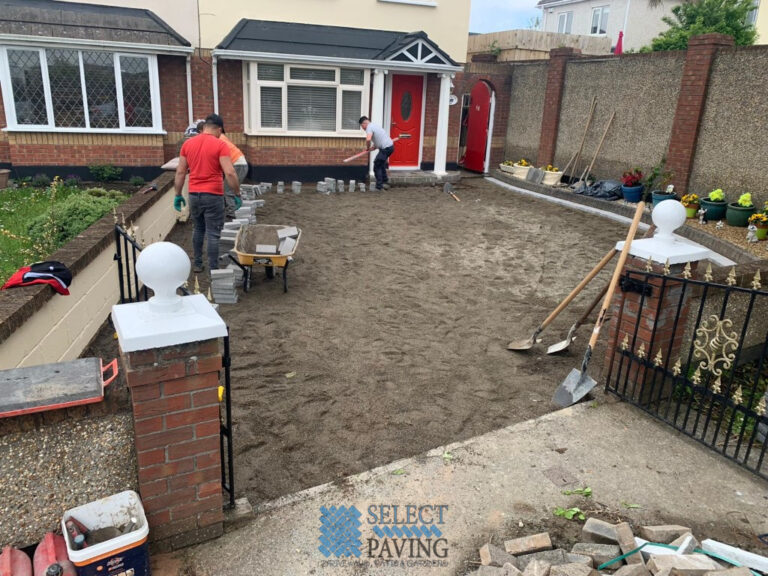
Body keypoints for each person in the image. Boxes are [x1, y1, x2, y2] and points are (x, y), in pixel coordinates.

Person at [173, 114, 241, 273]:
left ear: (204, 127)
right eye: (221, 132)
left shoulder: (187, 144)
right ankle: (213, 268)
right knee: (213, 233)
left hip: (194, 194)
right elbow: (230, 172)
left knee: (198, 229)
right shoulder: (220, 145)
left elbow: (180, 172)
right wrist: (237, 193)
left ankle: (197, 264)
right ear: (218, 128)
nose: (220, 135)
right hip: (213, 195)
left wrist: (177, 194)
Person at [359, 116, 395, 191]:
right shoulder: (374, 125)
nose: (362, 128)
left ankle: (379, 187)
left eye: (362, 126)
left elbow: (368, 139)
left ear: (364, 123)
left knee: (377, 165)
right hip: (390, 147)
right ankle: (385, 182)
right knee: (381, 164)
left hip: (385, 148)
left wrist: (368, 147)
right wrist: (374, 146)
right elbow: (379, 138)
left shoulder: (369, 127)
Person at [219, 131, 249, 220]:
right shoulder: (220, 136)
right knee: (227, 189)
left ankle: (231, 215)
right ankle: (232, 211)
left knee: (227, 190)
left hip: (237, 165)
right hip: (239, 164)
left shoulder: (217, 140)